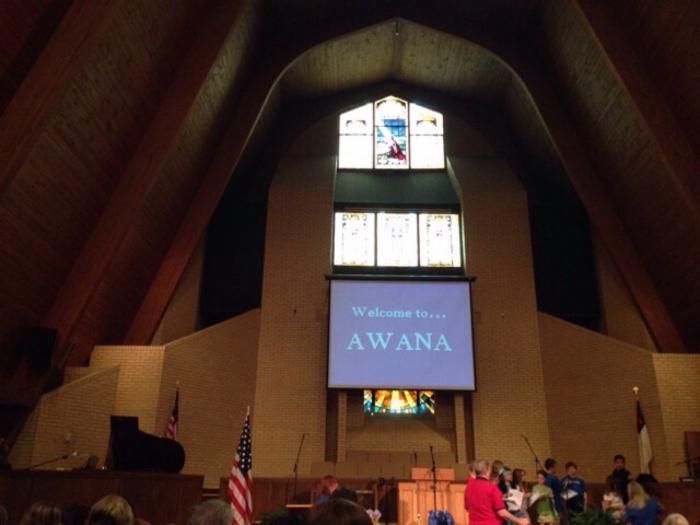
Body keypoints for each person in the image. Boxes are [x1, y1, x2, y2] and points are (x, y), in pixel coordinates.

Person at [464, 459, 529, 525]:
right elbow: (502, 512)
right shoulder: (491, 487)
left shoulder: (469, 487)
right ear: (487, 471)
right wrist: (518, 520)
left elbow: (467, 507)